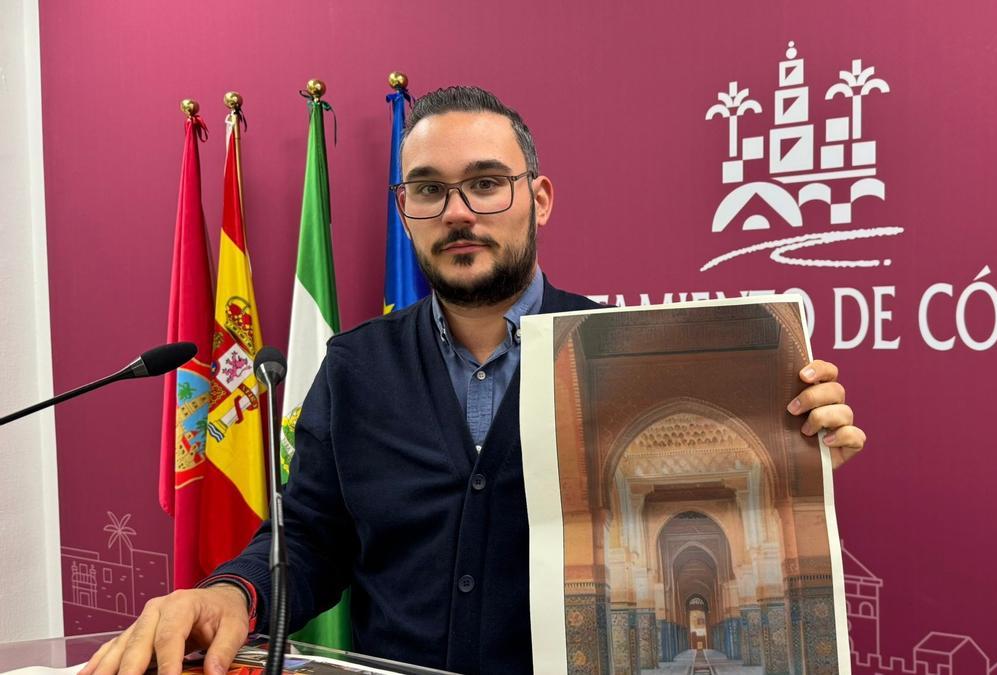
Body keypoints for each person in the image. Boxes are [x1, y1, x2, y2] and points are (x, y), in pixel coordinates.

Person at [80, 86, 866, 675]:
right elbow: (310, 539)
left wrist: (789, 451)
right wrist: (229, 593)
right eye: (428, 189)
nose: (458, 211)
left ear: (539, 198)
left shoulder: (633, 357)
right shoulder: (353, 369)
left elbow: (716, 518)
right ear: (405, 211)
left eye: (486, 182)